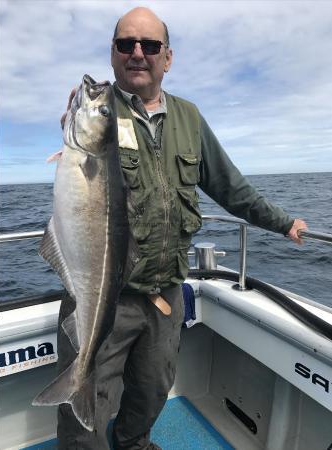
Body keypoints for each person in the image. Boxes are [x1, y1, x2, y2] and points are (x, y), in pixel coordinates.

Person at [57, 7, 307, 450]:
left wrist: (284, 223)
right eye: (125, 44)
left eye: (150, 45)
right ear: (112, 55)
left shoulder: (190, 118)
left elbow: (232, 188)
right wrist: (73, 120)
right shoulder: (97, 111)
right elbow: (78, 164)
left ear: (167, 58)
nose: (137, 53)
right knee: (85, 415)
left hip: (165, 294)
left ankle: (135, 444)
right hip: (102, 294)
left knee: (152, 393)